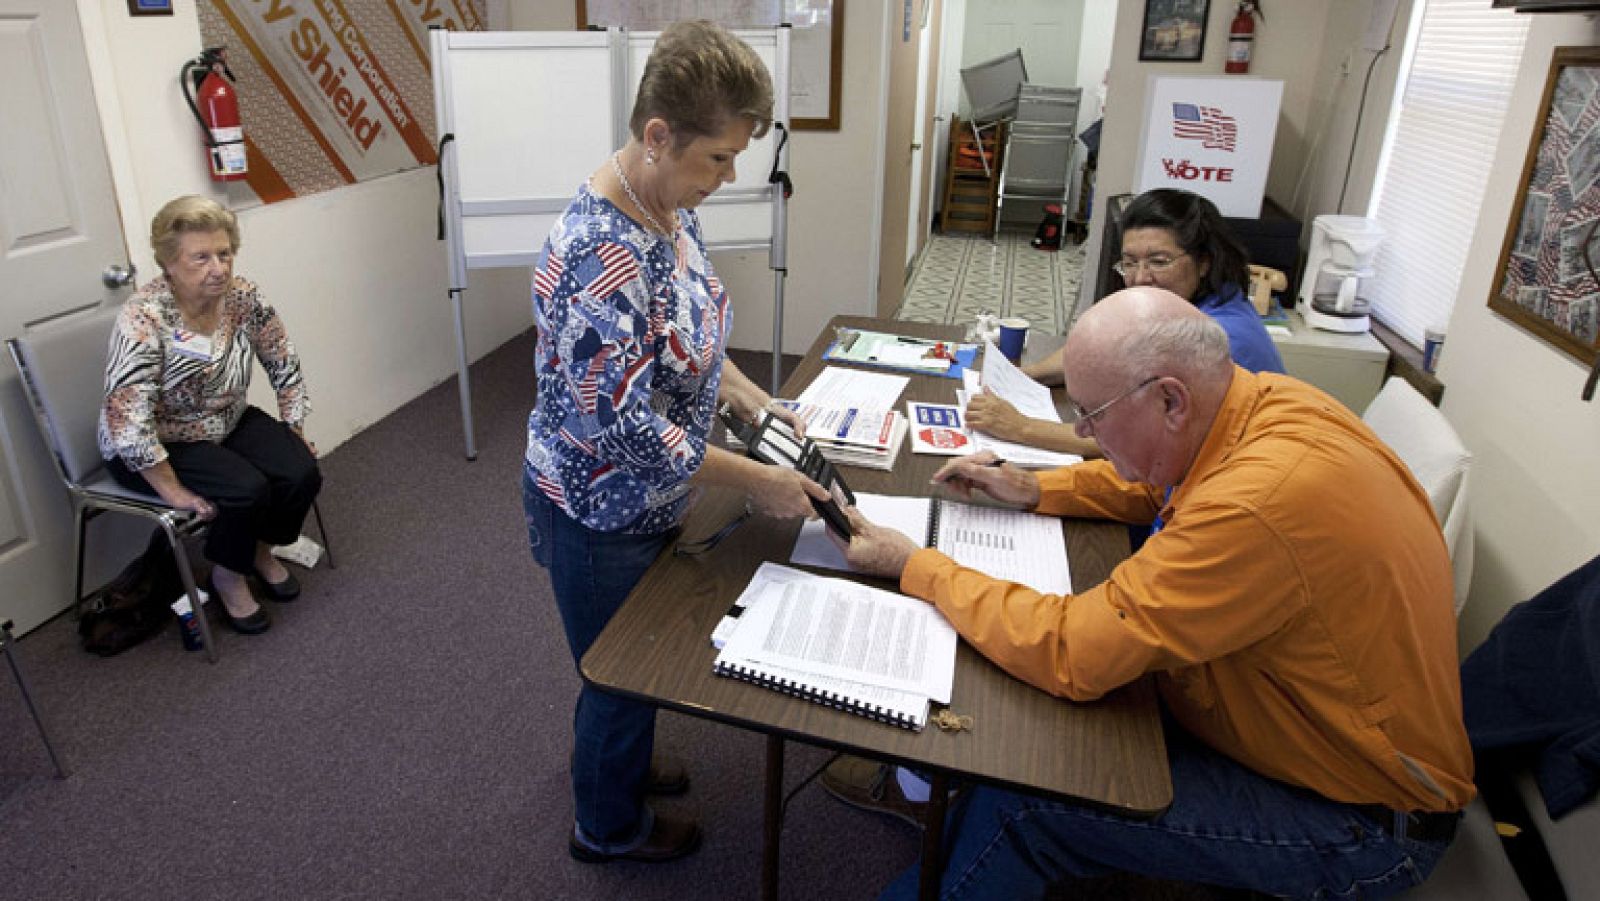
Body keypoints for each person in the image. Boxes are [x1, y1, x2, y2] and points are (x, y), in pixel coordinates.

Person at [827, 287, 1473, 899]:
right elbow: (1157, 481)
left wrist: (920, 566)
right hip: (1294, 721)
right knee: (1035, 707)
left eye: (1094, 415)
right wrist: (1036, 487)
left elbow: (1071, 651)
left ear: (1170, 399)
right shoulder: (1260, 402)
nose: (1083, 436)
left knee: (1028, 799)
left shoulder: (1257, 505)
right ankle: (944, 806)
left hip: (1359, 817)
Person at [521, 20, 829, 866]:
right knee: (615, 675)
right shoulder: (598, 255)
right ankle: (605, 829)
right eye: (718, 158)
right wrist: (758, 480)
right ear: (658, 136)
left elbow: (690, 337)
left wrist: (757, 400)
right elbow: (619, 425)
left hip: (657, 494)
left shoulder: (666, 207)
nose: (729, 177)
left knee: (639, 656)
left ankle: (622, 761)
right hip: (597, 509)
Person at [99, 194, 321, 636]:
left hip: (226, 418)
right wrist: (173, 490)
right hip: (160, 442)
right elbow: (127, 421)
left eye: (224, 253)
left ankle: (257, 549)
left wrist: (293, 427)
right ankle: (228, 575)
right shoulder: (144, 317)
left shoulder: (243, 297)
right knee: (245, 490)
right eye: (200, 258)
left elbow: (283, 359)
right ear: (169, 263)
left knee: (300, 472)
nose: (218, 267)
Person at [966, 188, 1285, 457]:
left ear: (1204, 262)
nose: (1141, 278)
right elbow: (1105, 350)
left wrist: (1019, 427)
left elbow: (1139, 439)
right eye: (1130, 263)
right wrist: (1024, 377)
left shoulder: (1217, 337)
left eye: (1159, 262)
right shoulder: (1177, 305)